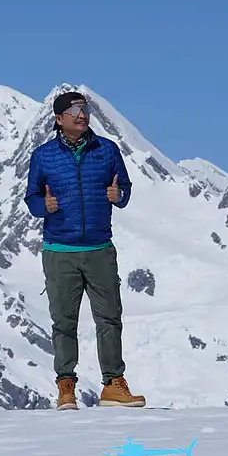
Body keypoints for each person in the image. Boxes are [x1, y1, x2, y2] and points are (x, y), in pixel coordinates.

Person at [24, 91, 145, 410]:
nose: (82, 114)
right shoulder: (43, 156)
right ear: (59, 118)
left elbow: (126, 190)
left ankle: (113, 385)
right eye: (75, 110)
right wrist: (43, 206)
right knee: (64, 321)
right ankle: (66, 387)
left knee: (109, 318)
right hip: (59, 250)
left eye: (85, 109)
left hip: (100, 248)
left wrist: (118, 194)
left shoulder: (107, 150)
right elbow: (32, 197)